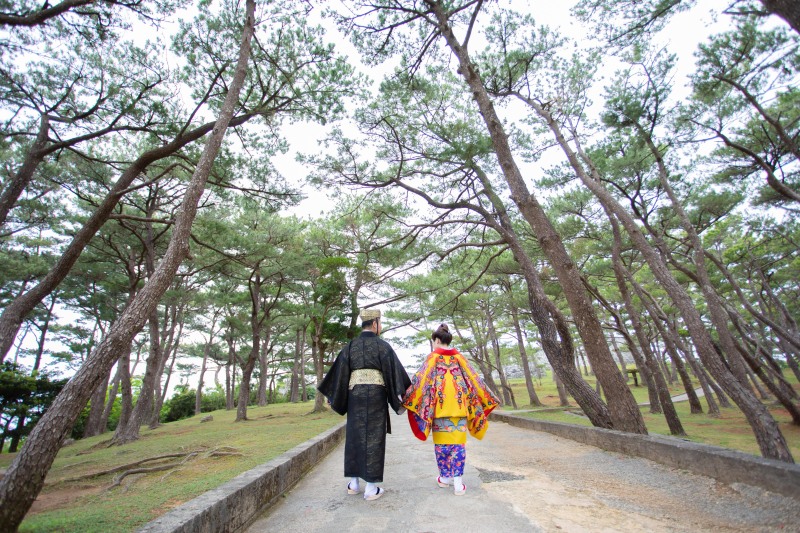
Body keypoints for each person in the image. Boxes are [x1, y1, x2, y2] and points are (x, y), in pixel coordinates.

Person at [318, 308, 411, 501]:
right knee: (374, 439)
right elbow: (396, 374)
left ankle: (354, 483)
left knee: (354, 437)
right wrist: (404, 394)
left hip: (355, 397)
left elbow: (340, 374)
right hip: (376, 396)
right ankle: (371, 488)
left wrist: (335, 395)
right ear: (376, 323)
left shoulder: (350, 347)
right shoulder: (383, 347)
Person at [402, 323, 500, 496]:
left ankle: (445, 478)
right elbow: (474, 379)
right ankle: (458, 483)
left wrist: (407, 397)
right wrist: (485, 398)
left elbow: (420, 380)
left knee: (442, 447)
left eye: (433, 342)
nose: (433, 345)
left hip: (439, 412)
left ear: (437, 340)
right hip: (460, 411)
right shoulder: (460, 358)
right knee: (458, 447)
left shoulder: (432, 358)